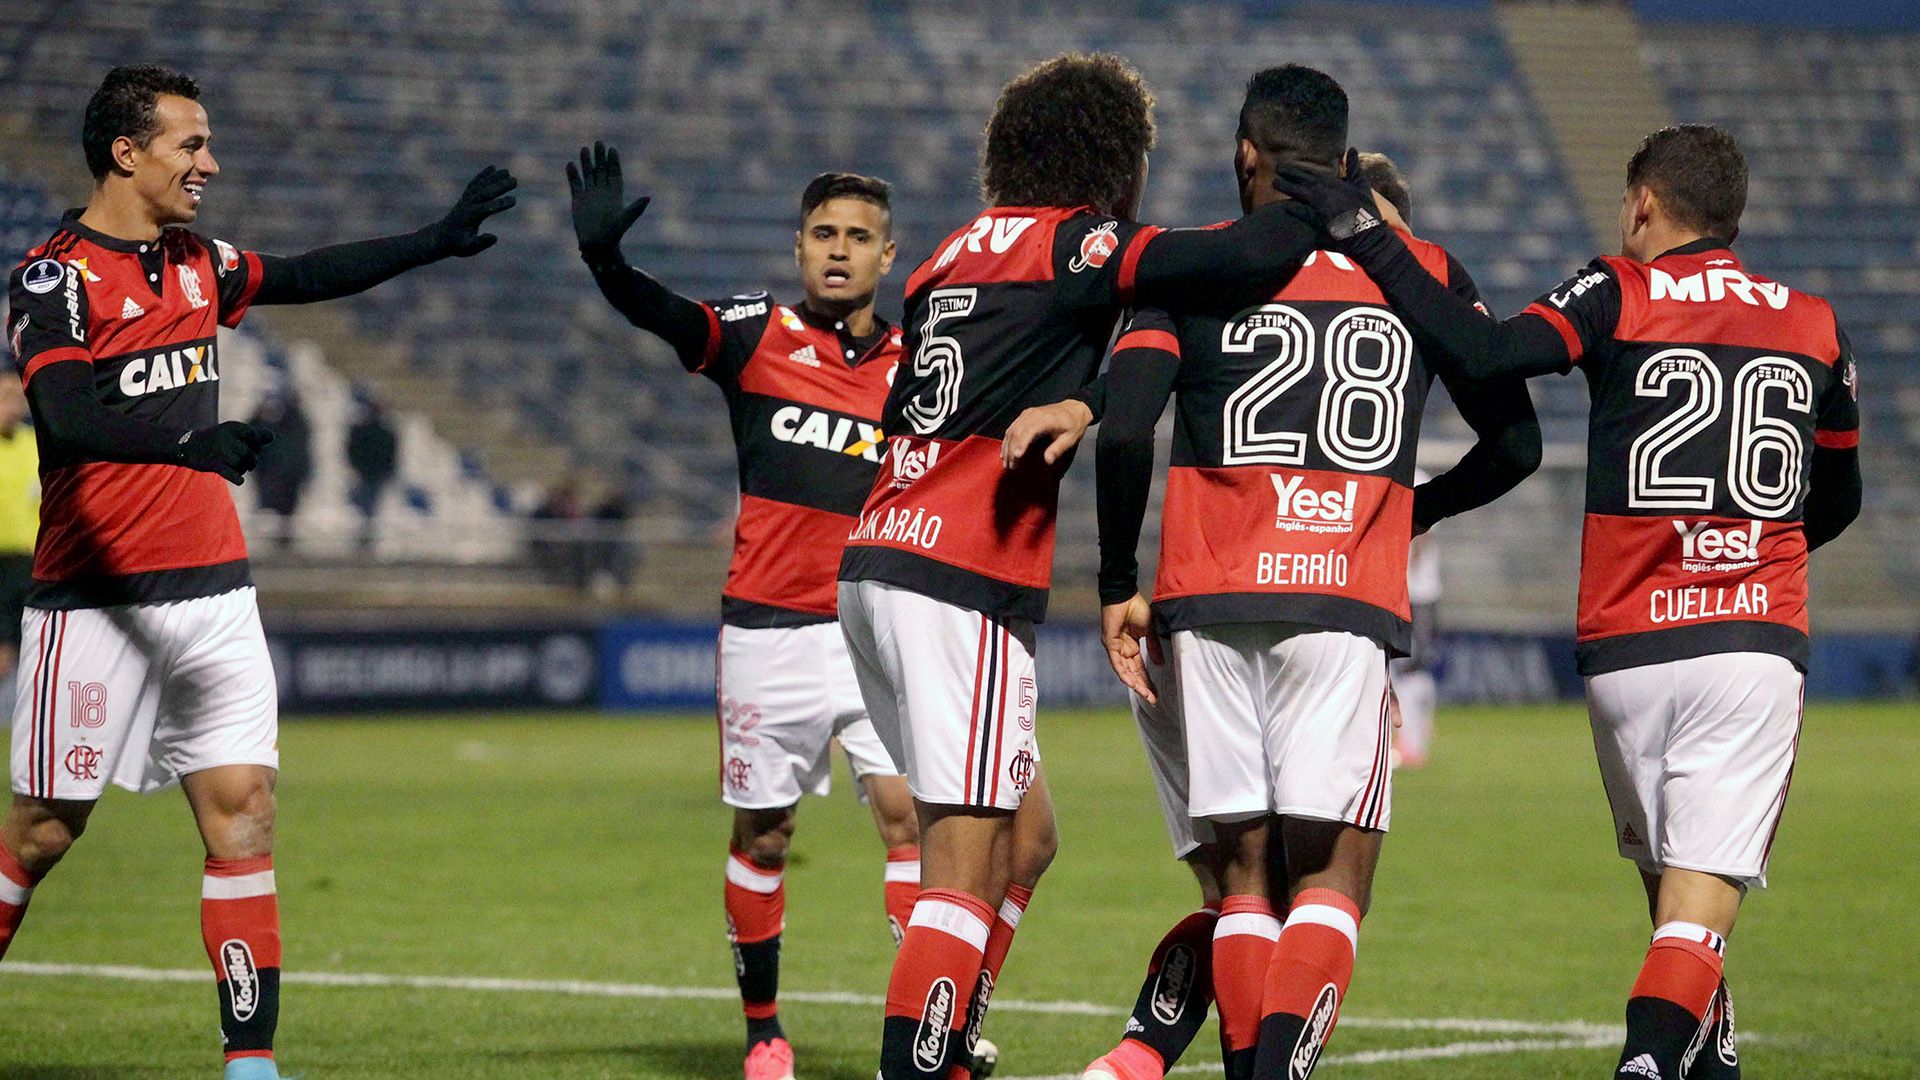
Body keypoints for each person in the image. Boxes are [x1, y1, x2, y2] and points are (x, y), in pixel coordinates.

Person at [1279, 123, 1861, 1080]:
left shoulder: (1615, 289)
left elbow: (1489, 349)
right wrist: (1750, 553)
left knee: (1671, 896)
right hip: (1747, 643)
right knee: (1696, 907)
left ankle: (1706, 1063)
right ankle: (1644, 1062)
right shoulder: (1812, 321)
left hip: (1626, 653)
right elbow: (1838, 501)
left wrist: (1375, 242)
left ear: (1642, 205)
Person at [1012, 68, 1538, 1079]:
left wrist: (1117, 575)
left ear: (1247, 152)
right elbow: (1513, 447)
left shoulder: (1198, 265)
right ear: (1344, 161)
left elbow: (1126, 430)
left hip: (1207, 602)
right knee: (1334, 879)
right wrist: (1405, 511)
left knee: (1245, 882)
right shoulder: (1418, 269)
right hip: (1341, 598)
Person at [835, 52, 1350, 1080]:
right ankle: (918, 1067)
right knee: (962, 860)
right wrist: (1314, 192)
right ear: (1111, 164)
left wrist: (1077, 403)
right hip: (960, 577)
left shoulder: (946, 258)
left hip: (876, 562)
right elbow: (1237, 264)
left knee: (1026, 839)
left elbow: (930, 400)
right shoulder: (1072, 243)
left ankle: (953, 1044)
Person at [0, 64, 515, 1080]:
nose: (211, 163)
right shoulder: (54, 276)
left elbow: (309, 274)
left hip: (217, 594)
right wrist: (188, 448)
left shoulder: (198, 264)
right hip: (96, 602)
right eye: (192, 144)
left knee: (243, 812)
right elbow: (64, 417)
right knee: (45, 831)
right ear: (126, 152)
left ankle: (252, 1063)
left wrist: (433, 241)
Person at [569, 144, 922, 1080]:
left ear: (890, 258)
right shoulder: (754, 332)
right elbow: (668, 316)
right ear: (798, 246)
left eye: (859, 238)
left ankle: (929, 1024)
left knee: (910, 820)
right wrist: (610, 264)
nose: (839, 251)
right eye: (823, 235)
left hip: (879, 628)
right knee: (765, 834)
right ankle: (764, 1029)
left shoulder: (919, 364)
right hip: (770, 626)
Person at [0, 379, 36, 694]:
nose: (10, 408)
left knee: (24, 647)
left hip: (27, 562)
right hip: (1, 559)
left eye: (16, 400)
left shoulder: (32, 444)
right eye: (4, 399)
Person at [246, 386, 311, 551]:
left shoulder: (295, 424)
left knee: (286, 508)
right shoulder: (273, 426)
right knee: (272, 507)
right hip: (272, 473)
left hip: (289, 475)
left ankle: (284, 541)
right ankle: (275, 541)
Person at [344, 395, 397, 551]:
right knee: (364, 507)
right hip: (366, 473)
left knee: (369, 508)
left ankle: (365, 539)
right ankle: (362, 538)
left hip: (372, 474)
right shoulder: (367, 431)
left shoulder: (382, 432)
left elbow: (391, 455)